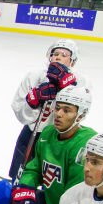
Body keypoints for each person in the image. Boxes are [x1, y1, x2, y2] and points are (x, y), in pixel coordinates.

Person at [9, 84, 95, 204]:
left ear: (81, 114)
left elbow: (73, 199)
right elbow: (34, 167)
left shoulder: (85, 144)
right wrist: (25, 188)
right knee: (1, 192)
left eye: (67, 110)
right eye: (58, 107)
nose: (59, 114)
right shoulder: (48, 132)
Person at [8, 39, 91, 179]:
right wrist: (33, 102)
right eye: (55, 53)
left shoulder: (81, 81)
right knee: (19, 177)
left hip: (59, 139)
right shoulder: (34, 76)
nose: (58, 57)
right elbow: (19, 111)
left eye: (64, 54)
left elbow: (81, 112)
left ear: (72, 61)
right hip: (31, 136)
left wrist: (67, 87)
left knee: (51, 180)